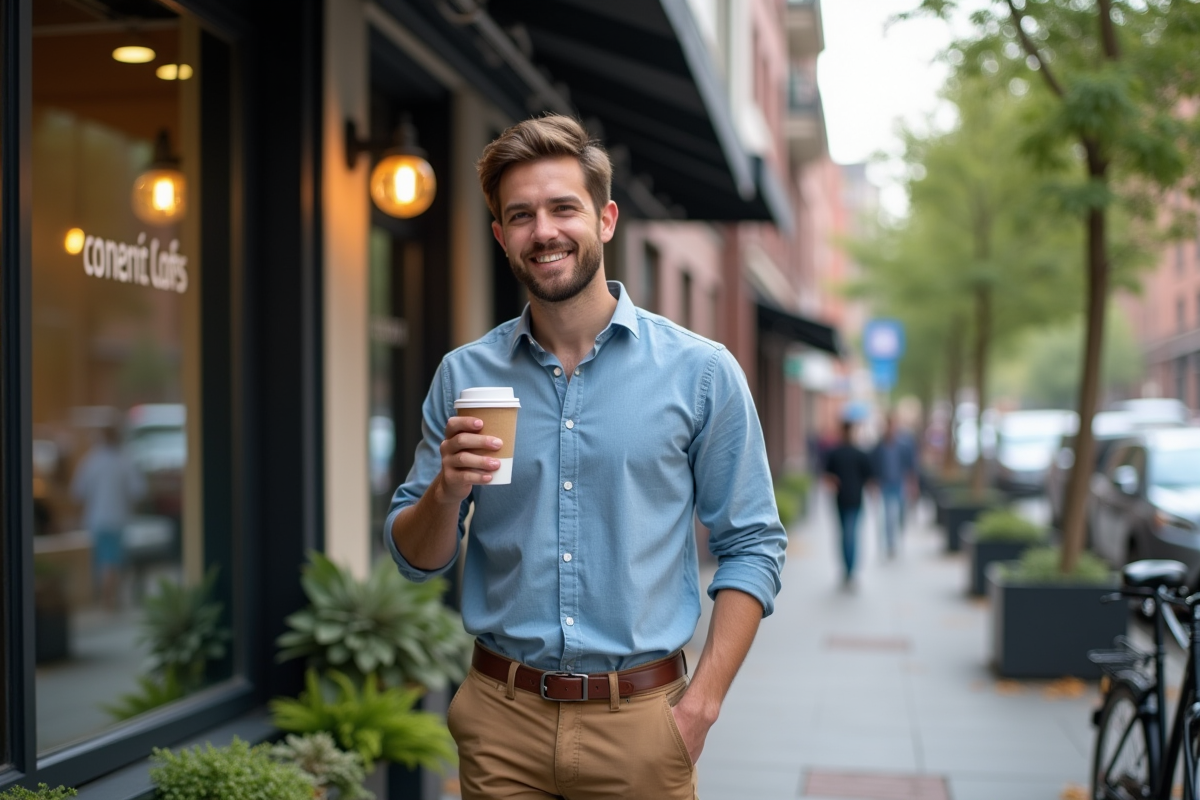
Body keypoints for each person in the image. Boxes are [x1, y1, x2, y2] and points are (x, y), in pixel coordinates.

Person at [384, 115, 786, 800]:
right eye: (521, 216)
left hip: (642, 726)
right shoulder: (464, 376)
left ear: (604, 219)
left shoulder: (701, 373)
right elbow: (415, 557)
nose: (543, 232)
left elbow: (752, 544)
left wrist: (702, 706)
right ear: (500, 236)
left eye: (562, 208)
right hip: (500, 723)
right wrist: (446, 492)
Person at [70, 423, 146, 610]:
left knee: (104, 560)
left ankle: (107, 599)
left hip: (96, 519)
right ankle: (110, 600)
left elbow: (77, 491)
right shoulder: (124, 461)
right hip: (117, 518)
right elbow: (139, 491)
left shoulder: (91, 461)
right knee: (113, 560)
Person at [823, 419, 874, 586]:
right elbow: (827, 477)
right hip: (848, 500)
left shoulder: (850, 454)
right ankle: (849, 570)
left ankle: (849, 570)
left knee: (847, 535)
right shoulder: (843, 453)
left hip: (849, 500)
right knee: (848, 535)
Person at [870, 414, 918, 558]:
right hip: (886, 484)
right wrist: (874, 485)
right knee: (889, 515)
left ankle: (898, 535)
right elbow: (874, 466)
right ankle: (891, 543)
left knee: (901, 514)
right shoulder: (879, 446)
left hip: (900, 484)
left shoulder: (904, 445)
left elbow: (911, 465)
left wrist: (913, 484)